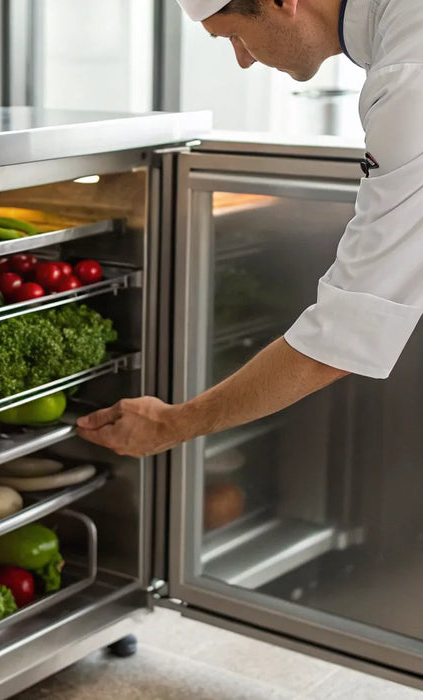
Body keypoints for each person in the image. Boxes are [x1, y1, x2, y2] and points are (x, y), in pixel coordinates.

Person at [77, 0, 423, 457]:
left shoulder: (409, 77)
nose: (243, 59)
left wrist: (173, 423)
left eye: (234, 35)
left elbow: (348, 328)